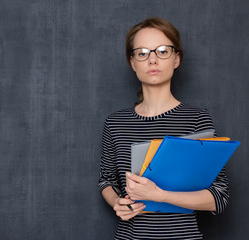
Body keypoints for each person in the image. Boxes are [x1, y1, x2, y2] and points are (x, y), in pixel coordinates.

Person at [98, 17, 229, 240]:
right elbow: (106, 180)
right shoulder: (115, 122)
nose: (152, 60)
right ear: (133, 62)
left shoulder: (197, 119)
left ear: (176, 59)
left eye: (162, 51)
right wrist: (116, 202)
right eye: (142, 52)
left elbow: (219, 197)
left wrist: (159, 195)